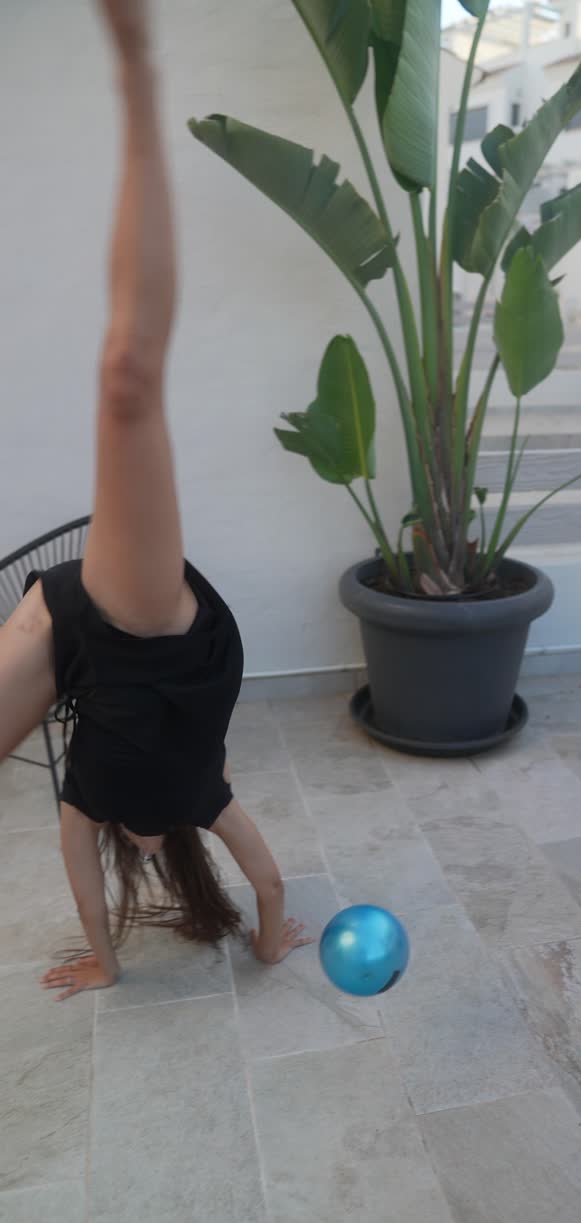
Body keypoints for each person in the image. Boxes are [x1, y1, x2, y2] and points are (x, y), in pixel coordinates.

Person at [0, 0, 313, 1000]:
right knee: (127, 376)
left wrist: (105, 957)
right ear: (166, 846)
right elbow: (267, 878)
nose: (127, 840)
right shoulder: (202, 800)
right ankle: (138, 68)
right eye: (141, 843)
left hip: (70, 630)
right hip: (154, 633)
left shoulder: (87, 802)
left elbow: (85, 888)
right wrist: (270, 938)